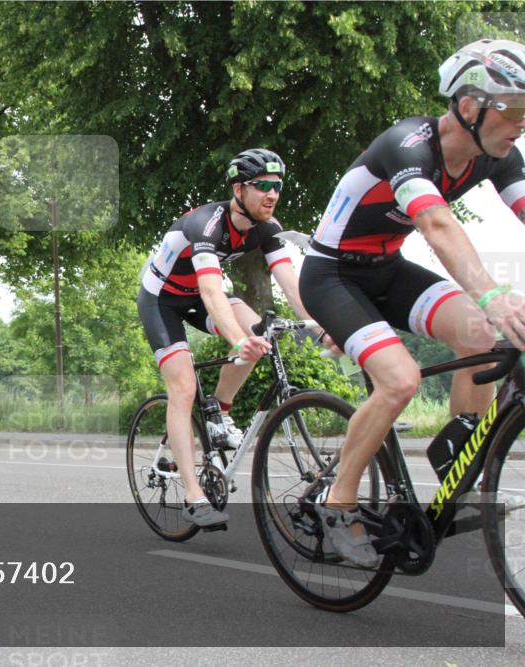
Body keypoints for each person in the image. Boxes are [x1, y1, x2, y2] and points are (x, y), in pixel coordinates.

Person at [299, 39, 525, 566]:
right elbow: (435, 223)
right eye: (514, 108)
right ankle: (339, 502)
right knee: (400, 380)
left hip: (387, 268)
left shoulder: (498, 156)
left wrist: (490, 310)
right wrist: (492, 294)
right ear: (469, 107)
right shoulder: (407, 144)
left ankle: (460, 450)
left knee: (483, 338)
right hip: (331, 274)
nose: (521, 123)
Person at [138, 148, 334, 527]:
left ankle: (220, 413)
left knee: (259, 334)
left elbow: (291, 285)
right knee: (183, 387)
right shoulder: (207, 225)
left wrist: (320, 324)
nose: (272, 195)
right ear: (238, 189)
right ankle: (194, 496)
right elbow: (213, 293)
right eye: (262, 186)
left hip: (195, 294)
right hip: (161, 300)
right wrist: (236, 341)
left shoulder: (267, 228)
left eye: (277, 187)